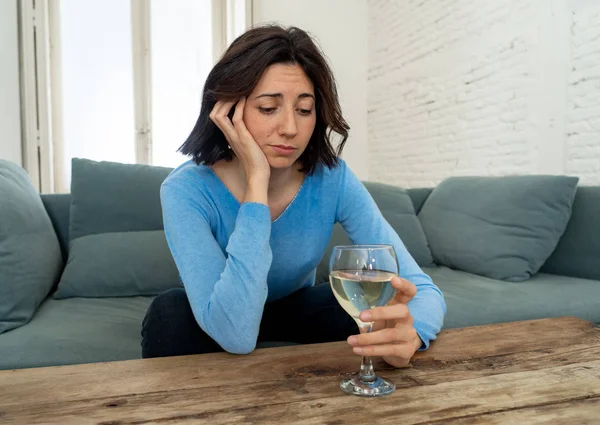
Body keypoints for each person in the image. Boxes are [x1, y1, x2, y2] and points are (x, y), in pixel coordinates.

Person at [141, 24, 446, 368]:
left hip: (297, 307)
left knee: (356, 310)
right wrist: (258, 181)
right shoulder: (185, 190)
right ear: (227, 112)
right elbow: (236, 334)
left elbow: (421, 288)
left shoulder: (332, 178)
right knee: (168, 315)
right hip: (224, 313)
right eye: (269, 108)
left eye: (304, 110)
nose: (290, 128)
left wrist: (413, 333)